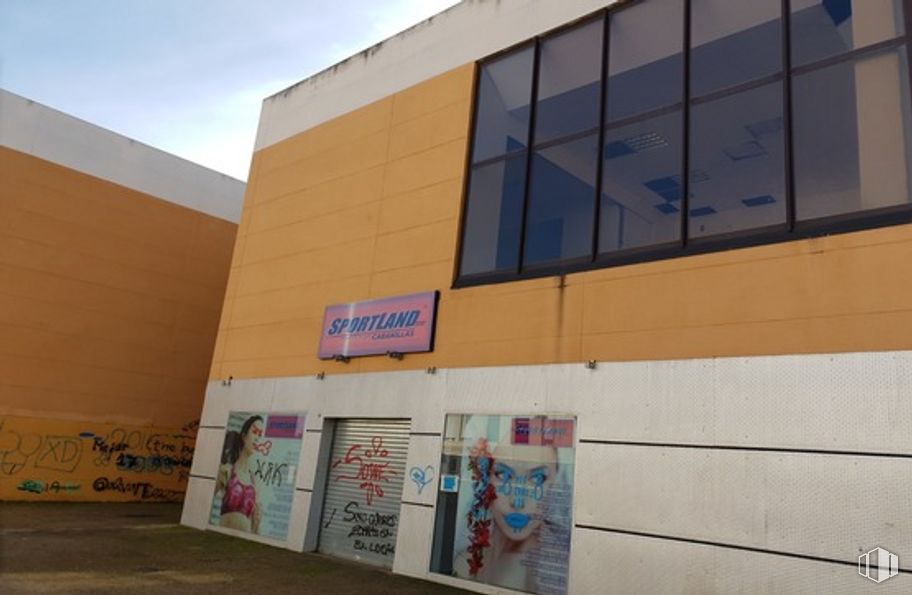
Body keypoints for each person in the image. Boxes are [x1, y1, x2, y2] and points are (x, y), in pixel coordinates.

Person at [457, 432, 571, 594]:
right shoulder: (464, 562)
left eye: (537, 478)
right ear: (485, 479)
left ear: (555, 484)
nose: (517, 502)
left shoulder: (566, 567)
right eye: (503, 475)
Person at [215, 415, 263, 533]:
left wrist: (257, 523)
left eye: (260, 434)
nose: (257, 438)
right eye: (255, 432)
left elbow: (256, 529)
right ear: (244, 436)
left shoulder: (254, 482)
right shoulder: (227, 471)